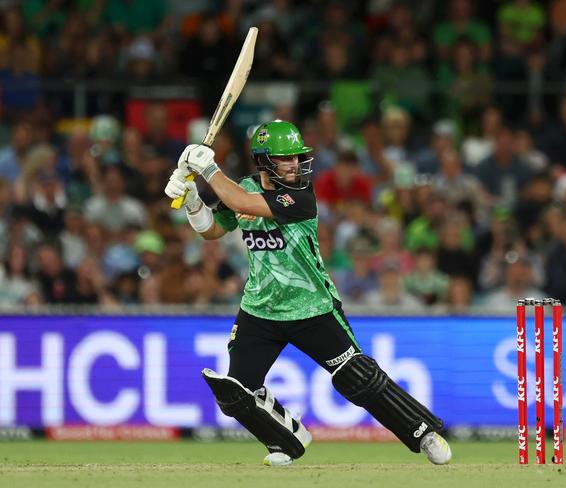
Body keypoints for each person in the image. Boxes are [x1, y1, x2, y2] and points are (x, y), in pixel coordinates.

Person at [164, 120, 451, 466]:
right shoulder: (244, 187)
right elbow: (212, 231)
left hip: (312, 307)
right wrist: (193, 199)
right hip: (260, 310)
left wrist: (206, 167)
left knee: (357, 378)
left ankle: (423, 432)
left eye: (297, 158)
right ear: (264, 161)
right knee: (235, 393)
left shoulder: (300, 196)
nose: (295, 165)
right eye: (286, 159)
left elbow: (241, 200)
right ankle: (286, 439)